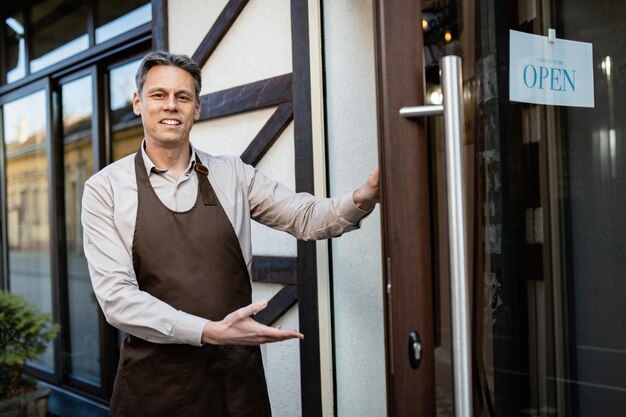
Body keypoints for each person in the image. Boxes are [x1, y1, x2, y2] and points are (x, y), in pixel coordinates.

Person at [82, 51, 379, 417]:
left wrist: (361, 198)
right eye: (159, 95)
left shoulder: (233, 175)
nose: (171, 106)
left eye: (183, 97)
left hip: (234, 382)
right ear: (138, 104)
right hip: (152, 386)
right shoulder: (105, 189)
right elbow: (117, 298)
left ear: (198, 109)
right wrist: (209, 330)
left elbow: (304, 216)